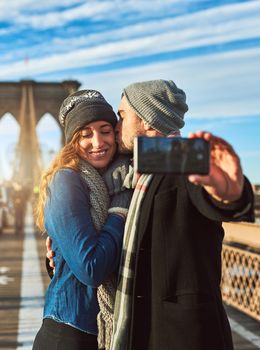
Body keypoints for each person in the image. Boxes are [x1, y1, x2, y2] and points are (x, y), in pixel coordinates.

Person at [47, 80, 254, 350]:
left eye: (121, 117)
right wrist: (60, 249)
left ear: (146, 121)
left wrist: (230, 194)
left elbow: (214, 182)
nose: (117, 126)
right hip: (147, 328)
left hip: (184, 333)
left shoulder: (175, 156)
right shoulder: (129, 172)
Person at [33, 89, 132, 350]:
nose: (97, 142)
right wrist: (119, 212)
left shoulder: (120, 179)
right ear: (72, 141)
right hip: (69, 334)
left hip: (106, 333)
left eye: (105, 130)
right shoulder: (67, 180)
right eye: (85, 134)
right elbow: (91, 269)